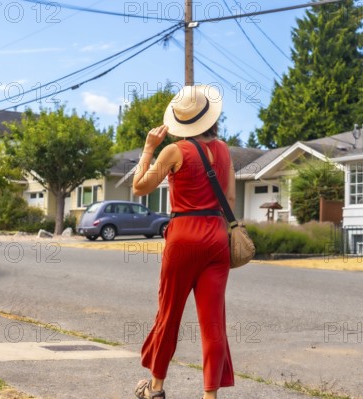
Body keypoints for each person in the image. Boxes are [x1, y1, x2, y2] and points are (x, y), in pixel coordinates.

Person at [132, 85, 235, 399]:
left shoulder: (173, 151)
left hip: (183, 237)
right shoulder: (224, 150)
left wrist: (149, 148)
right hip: (217, 236)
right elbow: (230, 198)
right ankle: (210, 396)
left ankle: (156, 388)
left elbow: (139, 187)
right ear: (210, 119)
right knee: (213, 321)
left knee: (169, 314)